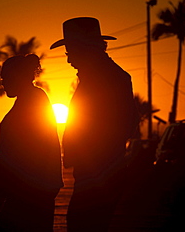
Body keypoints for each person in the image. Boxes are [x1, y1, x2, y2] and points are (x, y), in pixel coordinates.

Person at [50, 17, 139, 232]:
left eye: (71, 52)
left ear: (87, 48)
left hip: (100, 173)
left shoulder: (110, 78)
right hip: (97, 172)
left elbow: (125, 123)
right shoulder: (103, 76)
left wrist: (88, 151)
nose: (69, 59)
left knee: (84, 224)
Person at [0, 54, 63, 232]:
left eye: (5, 77)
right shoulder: (30, 99)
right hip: (28, 189)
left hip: (30, 190)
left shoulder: (33, 100)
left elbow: (34, 149)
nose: (2, 82)